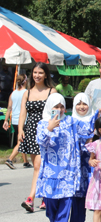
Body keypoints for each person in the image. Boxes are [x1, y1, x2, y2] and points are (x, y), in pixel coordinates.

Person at [35, 93, 99, 222]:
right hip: (51, 171)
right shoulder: (43, 123)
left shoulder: (71, 121)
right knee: (50, 202)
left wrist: (96, 114)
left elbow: (87, 130)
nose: (59, 109)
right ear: (49, 107)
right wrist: (49, 128)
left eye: (62, 106)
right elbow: (41, 141)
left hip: (69, 171)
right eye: (56, 107)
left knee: (66, 201)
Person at [19, 62, 56, 212]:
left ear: (46, 74)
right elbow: (23, 113)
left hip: (46, 131)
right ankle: (45, 197)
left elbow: (56, 113)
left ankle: (30, 199)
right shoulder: (27, 93)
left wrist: (51, 129)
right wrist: (21, 129)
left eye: (40, 73)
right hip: (31, 132)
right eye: (35, 72)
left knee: (38, 166)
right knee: (39, 166)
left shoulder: (51, 92)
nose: (37, 75)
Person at [70, 93, 95, 222]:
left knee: (93, 194)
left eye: (84, 103)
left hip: (90, 163)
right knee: (77, 197)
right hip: (74, 164)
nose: (81, 107)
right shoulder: (69, 121)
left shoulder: (94, 119)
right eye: (78, 104)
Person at [3, 74, 31, 169]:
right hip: (24, 120)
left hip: (14, 120)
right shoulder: (27, 92)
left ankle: (26, 161)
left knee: (21, 140)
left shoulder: (13, 93)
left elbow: (9, 108)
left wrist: (6, 120)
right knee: (21, 142)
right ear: (26, 81)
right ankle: (10, 159)